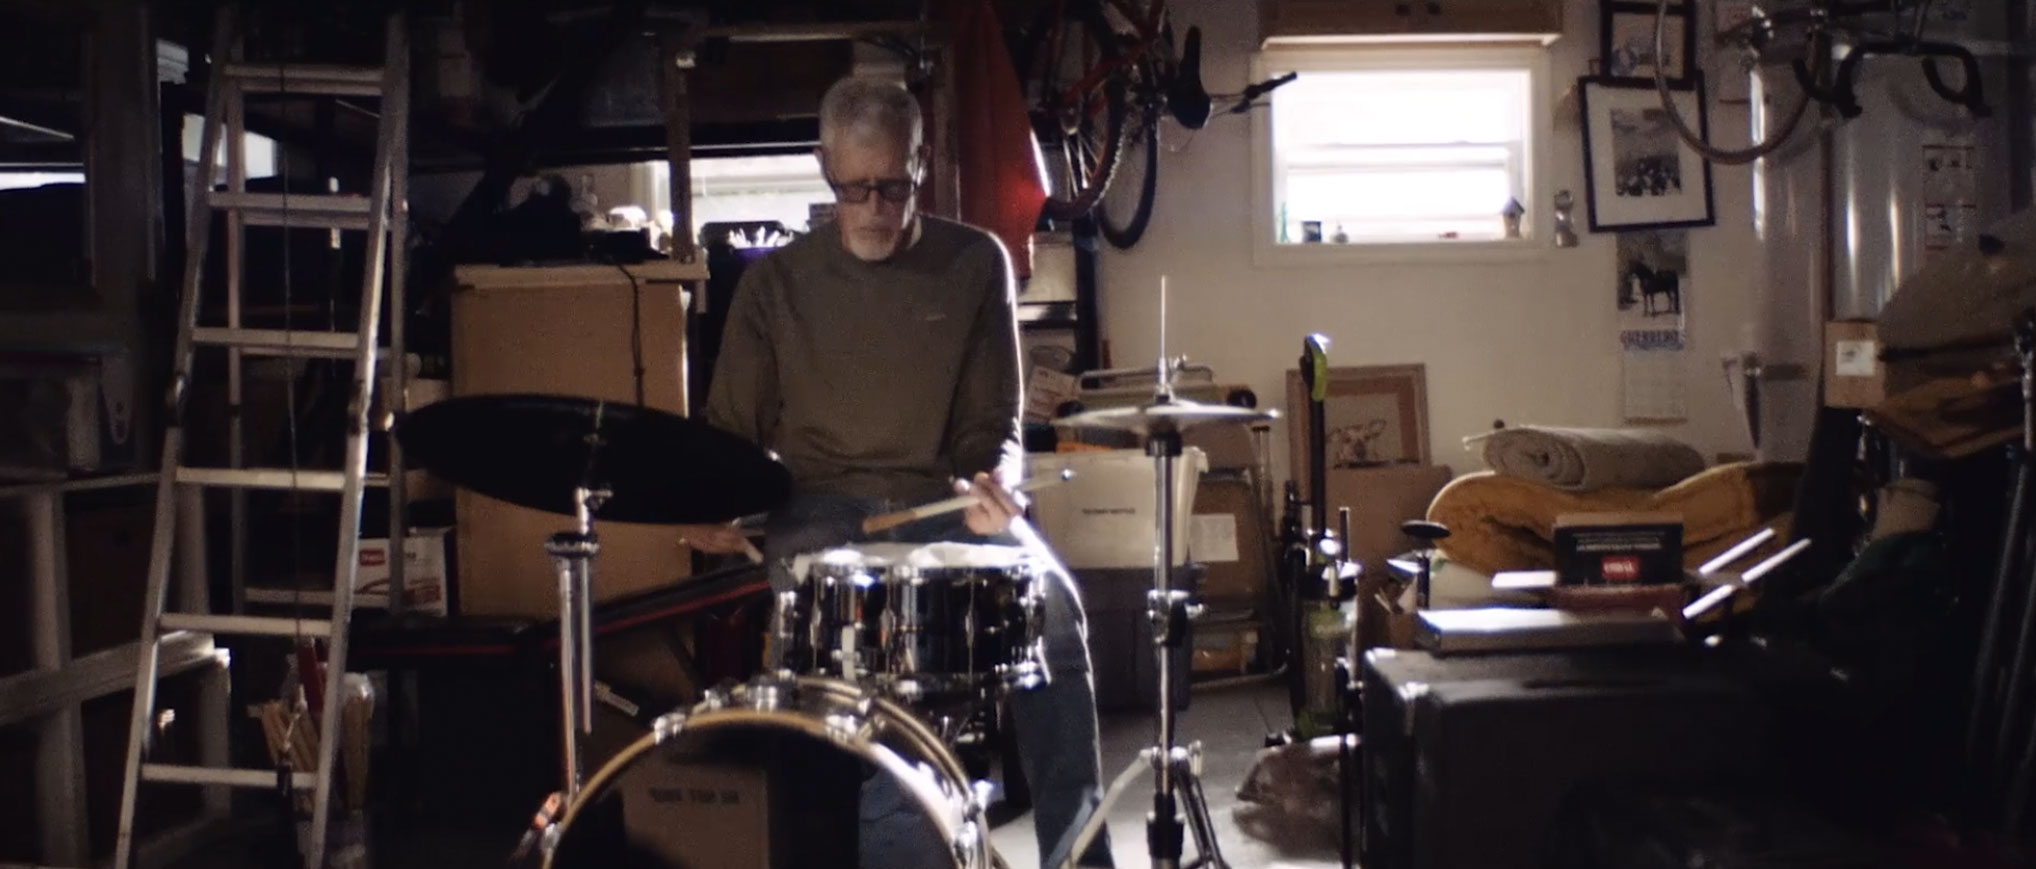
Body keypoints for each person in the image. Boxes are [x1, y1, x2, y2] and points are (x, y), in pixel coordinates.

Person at [675, 75, 1114, 868]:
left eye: (894, 184)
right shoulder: (773, 286)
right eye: (855, 188)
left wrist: (996, 486)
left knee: (1055, 612)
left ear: (923, 161)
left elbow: (994, 425)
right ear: (823, 169)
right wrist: (714, 503)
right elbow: (729, 433)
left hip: (944, 504)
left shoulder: (975, 261)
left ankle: (1078, 856)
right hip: (820, 509)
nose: (876, 206)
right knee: (875, 650)